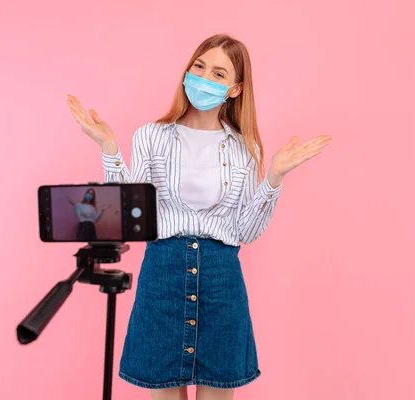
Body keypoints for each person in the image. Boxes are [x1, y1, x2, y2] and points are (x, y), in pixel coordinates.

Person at [67, 34, 331, 400]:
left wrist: (274, 177)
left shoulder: (244, 147)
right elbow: (129, 216)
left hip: (221, 279)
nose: (204, 77)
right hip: (163, 274)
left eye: (219, 73)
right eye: (199, 66)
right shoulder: (151, 136)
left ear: (236, 89)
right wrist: (109, 149)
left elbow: (245, 231)